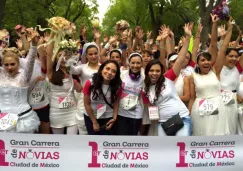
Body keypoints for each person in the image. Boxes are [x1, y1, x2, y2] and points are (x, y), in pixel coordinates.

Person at [144, 23, 192, 136]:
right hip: (162, 123)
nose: (154, 73)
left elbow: (180, 59)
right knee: (165, 152)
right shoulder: (144, 88)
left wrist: (188, 38)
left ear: (162, 72)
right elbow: (150, 107)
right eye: (151, 71)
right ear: (147, 72)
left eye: (157, 71)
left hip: (181, 118)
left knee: (182, 151)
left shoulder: (168, 78)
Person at [0, 30, 40, 133]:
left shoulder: (24, 76)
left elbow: (30, 61)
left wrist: (34, 45)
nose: (9, 67)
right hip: (2, 120)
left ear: (18, 63)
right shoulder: (1, 74)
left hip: (23, 120)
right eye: (6, 65)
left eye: (12, 64)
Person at [46, 36, 82, 135]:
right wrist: (54, 35)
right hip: (56, 112)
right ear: (56, 57)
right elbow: (49, 55)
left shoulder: (71, 71)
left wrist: (74, 81)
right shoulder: (51, 73)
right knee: (59, 142)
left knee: (72, 140)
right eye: (60, 56)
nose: (63, 59)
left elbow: (79, 90)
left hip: (72, 111)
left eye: (66, 56)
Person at [82, 60, 122, 135]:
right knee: (94, 142)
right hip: (91, 118)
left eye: (113, 71)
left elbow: (116, 102)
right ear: (101, 69)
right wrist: (94, 122)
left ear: (116, 75)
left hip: (108, 118)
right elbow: (86, 104)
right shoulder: (90, 83)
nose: (109, 72)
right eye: (107, 69)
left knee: (107, 144)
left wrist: (114, 118)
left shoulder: (118, 86)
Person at [70, 42, 100, 134]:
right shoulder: (82, 68)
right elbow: (71, 69)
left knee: (98, 124)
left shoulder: (103, 67)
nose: (93, 56)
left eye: (95, 53)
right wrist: (68, 56)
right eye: (90, 54)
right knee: (82, 125)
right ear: (86, 55)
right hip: (84, 100)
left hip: (99, 100)